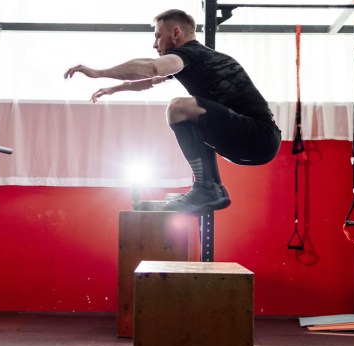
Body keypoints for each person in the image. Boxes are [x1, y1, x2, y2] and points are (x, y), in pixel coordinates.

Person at [64, 9, 281, 215]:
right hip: (256, 142)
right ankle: (210, 189)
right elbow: (150, 81)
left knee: (178, 108)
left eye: (158, 36)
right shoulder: (197, 59)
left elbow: (151, 67)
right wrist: (114, 89)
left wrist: (99, 72)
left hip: (258, 135)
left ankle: (206, 188)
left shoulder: (188, 54)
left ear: (176, 33)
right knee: (193, 118)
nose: (154, 44)